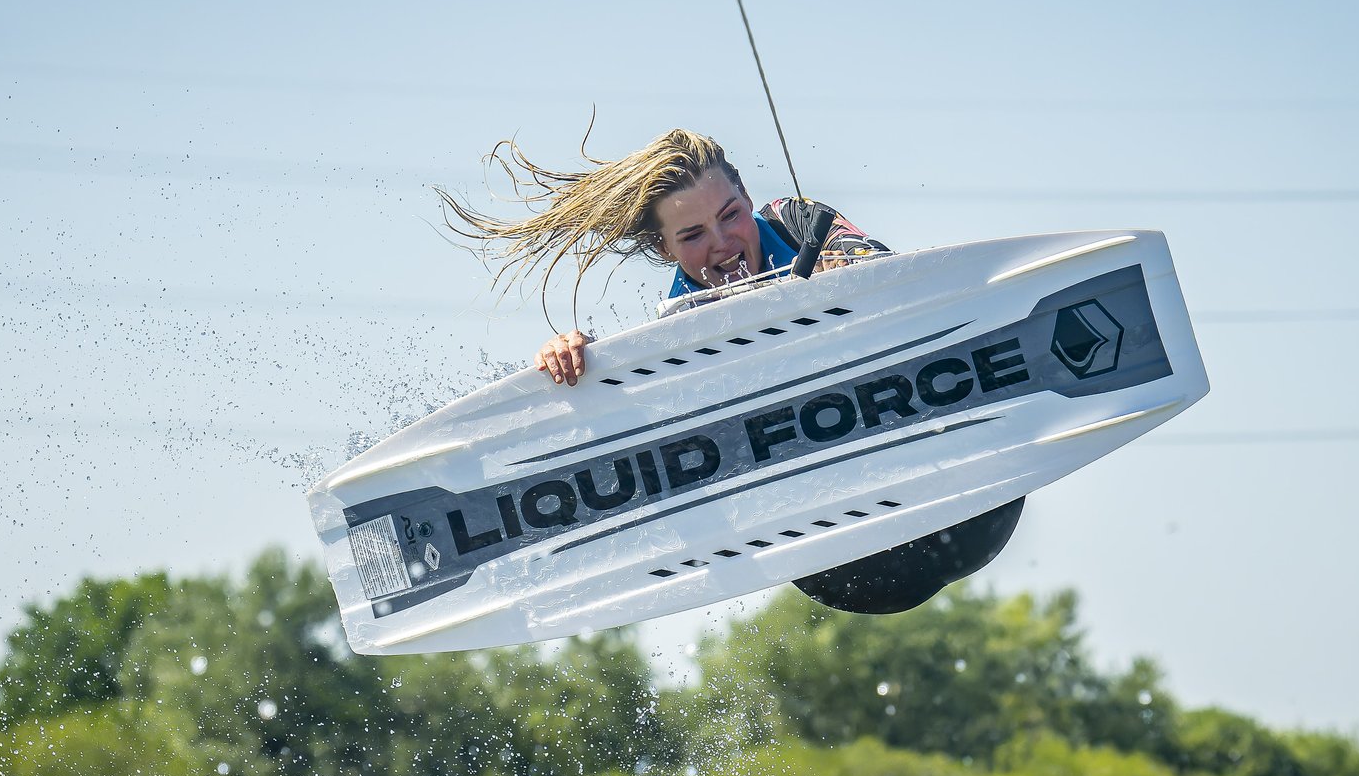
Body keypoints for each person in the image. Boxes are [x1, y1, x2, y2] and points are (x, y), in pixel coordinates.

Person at [438, 128, 1021, 614]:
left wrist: (836, 281)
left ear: (746, 196)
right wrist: (583, 371)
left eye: (730, 215)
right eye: (692, 235)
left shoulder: (797, 225)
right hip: (853, 573)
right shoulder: (673, 334)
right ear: (665, 250)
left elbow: (882, 267)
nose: (721, 244)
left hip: (968, 514)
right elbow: (644, 443)